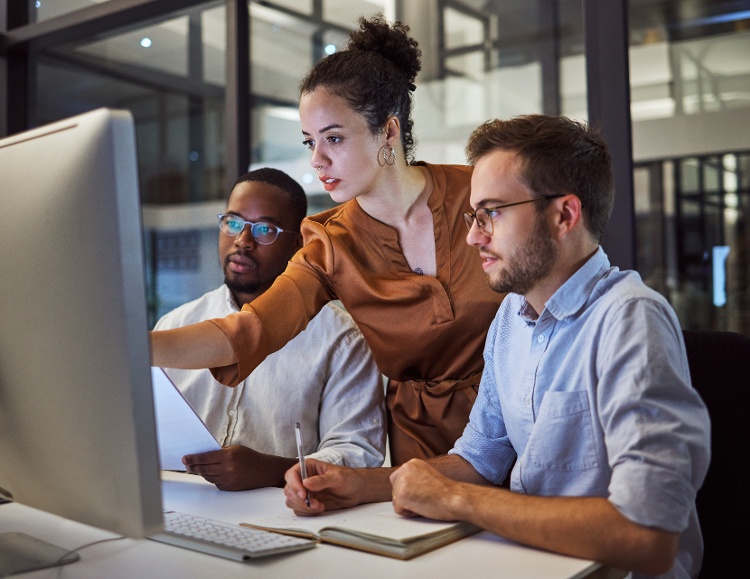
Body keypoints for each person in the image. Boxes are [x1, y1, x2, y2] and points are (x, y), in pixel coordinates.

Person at [282, 115, 711, 579]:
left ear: (564, 214)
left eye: (492, 213)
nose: (472, 236)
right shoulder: (511, 316)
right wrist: (359, 484)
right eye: (473, 216)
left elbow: (647, 537)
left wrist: (458, 500)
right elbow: (479, 459)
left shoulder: (630, 319)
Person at [150, 14, 504, 465]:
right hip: (420, 448)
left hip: (517, 420)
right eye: (309, 142)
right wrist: (132, 345)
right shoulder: (329, 242)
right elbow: (247, 330)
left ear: (389, 131)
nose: (317, 160)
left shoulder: (480, 195)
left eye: (333, 138)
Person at [154, 168, 386, 491]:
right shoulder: (177, 324)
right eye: (233, 223)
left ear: (297, 244)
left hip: (283, 515)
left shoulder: (341, 339)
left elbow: (358, 453)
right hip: (177, 504)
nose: (243, 241)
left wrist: (271, 471)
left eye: (265, 229)